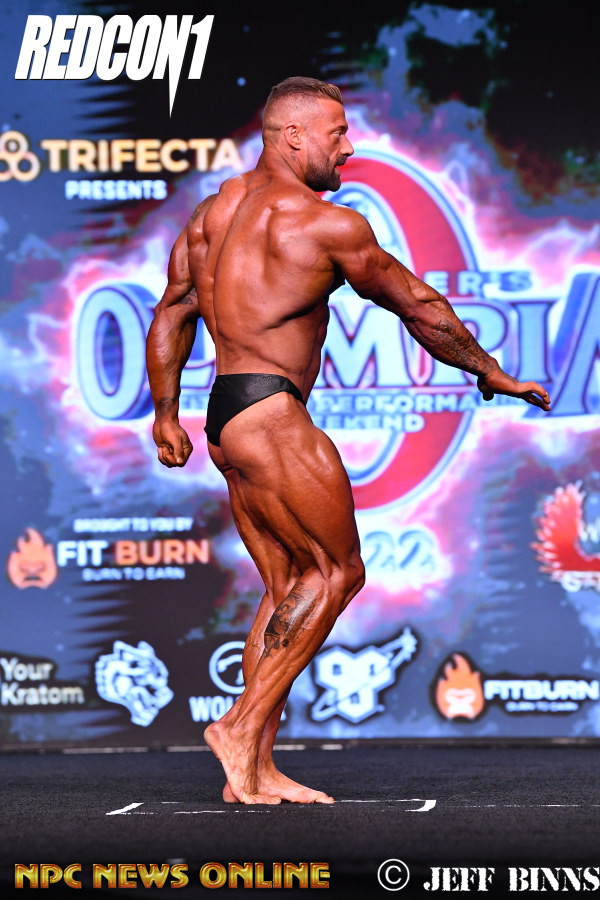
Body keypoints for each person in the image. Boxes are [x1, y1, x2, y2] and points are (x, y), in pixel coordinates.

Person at [145, 76, 551, 805]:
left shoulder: (211, 216)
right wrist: (489, 370)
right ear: (292, 134)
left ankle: (253, 770)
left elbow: (172, 313)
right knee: (337, 573)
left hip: (226, 416)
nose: (348, 147)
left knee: (286, 587)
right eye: (336, 133)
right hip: (273, 414)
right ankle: (238, 727)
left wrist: (166, 414)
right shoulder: (325, 224)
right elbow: (418, 305)